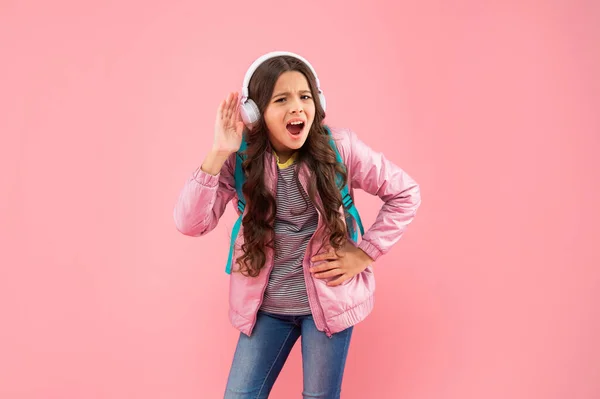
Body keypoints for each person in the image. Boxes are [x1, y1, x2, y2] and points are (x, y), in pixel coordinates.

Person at [173, 51, 421, 399]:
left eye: (305, 97)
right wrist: (217, 153)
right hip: (266, 310)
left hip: (329, 305)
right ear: (255, 113)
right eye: (281, 99)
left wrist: (366, 253)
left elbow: (405, 192)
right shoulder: (239, 159)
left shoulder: (341, 148)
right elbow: (190, 223)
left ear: (318, 103)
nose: (297, 108)